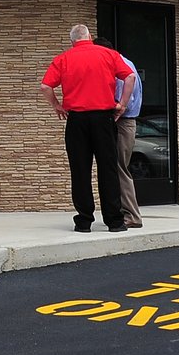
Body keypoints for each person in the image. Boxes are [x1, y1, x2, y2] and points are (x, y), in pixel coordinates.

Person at [40, 24, 135, 233]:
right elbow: (130, 77)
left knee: (80, 170)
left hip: (77, 120)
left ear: (72, 41)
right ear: (90, 36)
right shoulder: (109, 54)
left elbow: (46, 86)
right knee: (108, 169)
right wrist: (123, 104)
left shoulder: (63, 59)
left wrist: (57, 105)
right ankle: (114, 221)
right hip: (103, 118)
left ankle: (84, 221)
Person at [95, 39, 143, 230]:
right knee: (117, 166)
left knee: (119, 168)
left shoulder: (120, 67)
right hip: (125, 122)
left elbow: (124, 101)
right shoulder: (126, 62)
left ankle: (132, 215)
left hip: (123, 122)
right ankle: (127, 213)